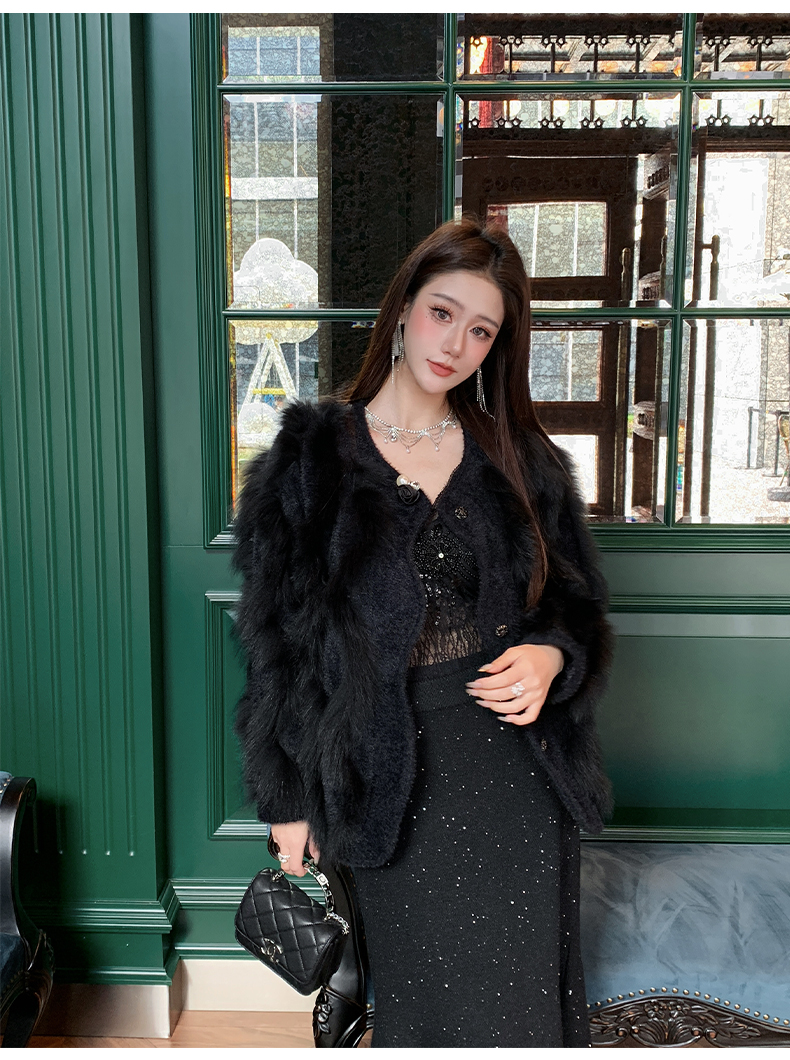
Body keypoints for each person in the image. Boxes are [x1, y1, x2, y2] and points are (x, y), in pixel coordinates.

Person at [232, 217, 614, 1048]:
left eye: (482, 331)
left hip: (515, 768)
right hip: (383, 775)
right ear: (404, 307)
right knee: (425, 1008)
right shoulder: (307, 462)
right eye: (444, 313)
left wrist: (552, 655)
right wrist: (286, 803)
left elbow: (577, 606)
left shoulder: (522, 459)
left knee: (520, 1008)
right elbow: (276, 653)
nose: (456, 344)